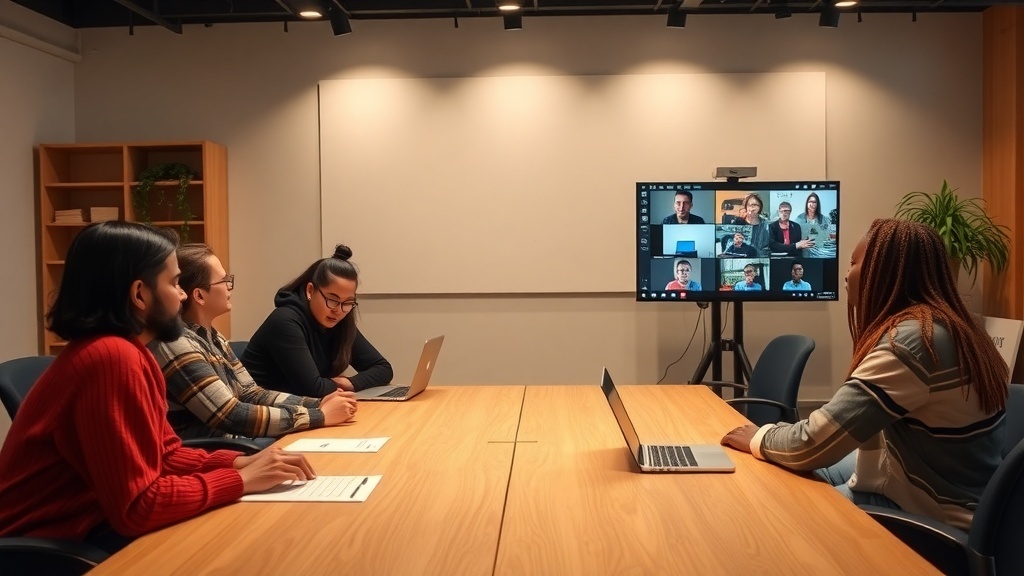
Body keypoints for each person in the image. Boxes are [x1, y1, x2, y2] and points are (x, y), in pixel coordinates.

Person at [0, 221, 315, 553]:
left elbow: (165, 454)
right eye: (175, 283)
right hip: (43, 550)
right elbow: (138, 508)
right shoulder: (110, 358)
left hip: (89, 526)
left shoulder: (130, 352)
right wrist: (240, 480)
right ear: (140, 294)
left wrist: (238, 463)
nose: (183, 295)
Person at [722, 219, 1007, 530]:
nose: (847, 275)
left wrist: (760, 437)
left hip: (932, 516)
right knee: (783, 475)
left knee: (775, 514)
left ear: (883, 272)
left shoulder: (912, 343)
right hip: (922, 481)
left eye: (854, 264)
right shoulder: (955, 324)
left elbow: (813, 444)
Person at [148, 243, 360, 445]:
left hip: (238, 443)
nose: (230, 287)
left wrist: (318, 404)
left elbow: (252, 393)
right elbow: (231, 415)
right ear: (199, 295)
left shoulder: (212, 336)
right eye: (224, 281)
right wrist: (318, 415)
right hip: (217, 452)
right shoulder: (175, 343)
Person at [242, 244, 394, 398]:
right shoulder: (285, 321)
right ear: (310, 291)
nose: (338, 310)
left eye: (348, 302)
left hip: (303, 407)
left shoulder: (340, 322)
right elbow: (313, 389)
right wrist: (333, 385)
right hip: (264, 409)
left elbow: (383, 368)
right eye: (332, 300)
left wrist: (351, 382)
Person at [795, 192, 835, 258]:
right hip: (804, 253)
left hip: (819, 253)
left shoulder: (824, 219)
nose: (812, 204)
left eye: (814, 202)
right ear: (807, 204)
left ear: (817, 204)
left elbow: (828, 235)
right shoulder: (799, 218)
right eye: (810, 202)